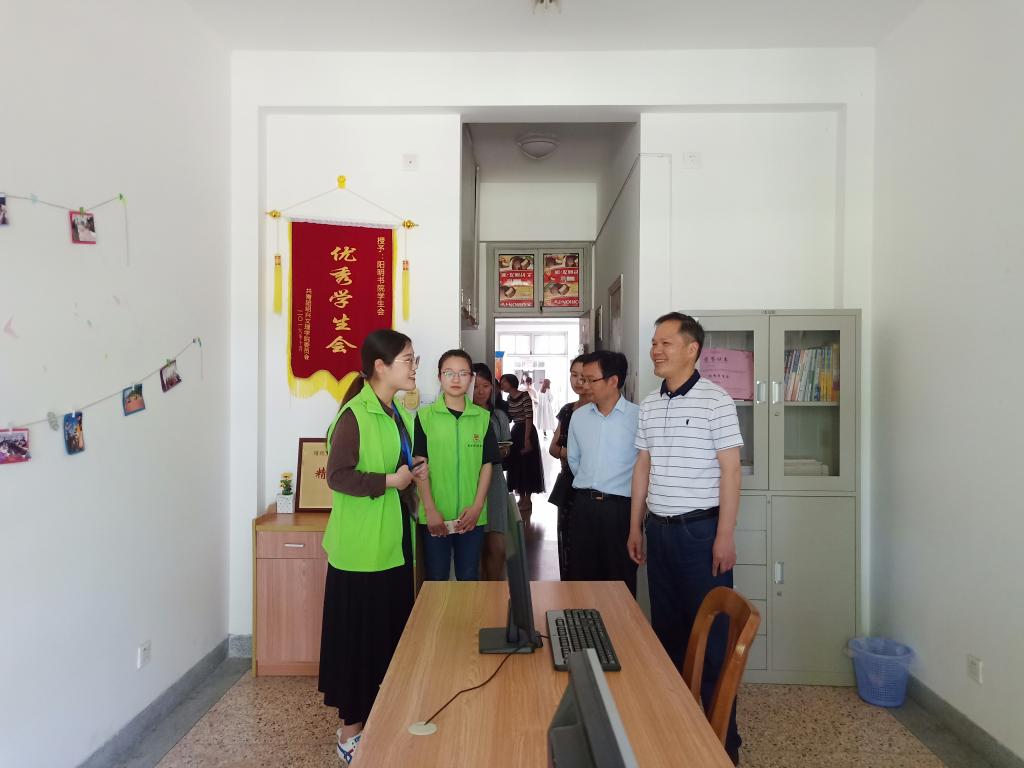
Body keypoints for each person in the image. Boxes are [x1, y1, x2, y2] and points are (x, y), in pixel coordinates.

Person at [628, 312, 744, 765]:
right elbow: (643, 465)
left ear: (692, 349)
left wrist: (724, 535)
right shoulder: (649, 403)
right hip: (659, 532)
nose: (656, 350)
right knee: (668, 636)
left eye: (666, 343)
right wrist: (635, 525)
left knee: (712, 643)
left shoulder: (717, 401)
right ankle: (676, 736)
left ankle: (723, 745)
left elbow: (731, 470)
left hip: (701, 534)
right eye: (654, 343)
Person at [318, 329, 428, 764]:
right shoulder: (355, 414)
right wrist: (391, 481)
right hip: (362, 552)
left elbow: (392, 467)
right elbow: (338, 476)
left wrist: (410, 471)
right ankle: (350, 734)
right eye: (408, 359)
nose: (414, 367)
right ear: (380, 366)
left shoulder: (392, 410)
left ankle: (379, 721)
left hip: (392, 546)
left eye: (415, 359)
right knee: (358, 645)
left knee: (386, 639)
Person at [413, 350, 500, 581]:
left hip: (471, 516)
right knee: (436, 576)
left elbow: (486, 465)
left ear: (471, 378)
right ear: (439, 377)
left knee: (469, 575)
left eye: (462, 373)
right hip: (435, 514)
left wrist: (477, 507)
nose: (455, 379)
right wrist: (430, 510)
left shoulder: (482, 418)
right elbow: (419, 465)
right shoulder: (424, 417)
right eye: (449, 373)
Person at [566, 351, 640, 596]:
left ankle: (619, 623)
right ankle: (581, 622)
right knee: (581, 580)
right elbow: (574, 460)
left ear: (613, 381)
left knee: (619, 582)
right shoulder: (579, 417)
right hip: (584, 508)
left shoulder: (638, 417)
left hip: (620, 511)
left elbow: (644, 467)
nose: (584, 385)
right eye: (582, 379)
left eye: (591, 380)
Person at [549, 356, 590, 580]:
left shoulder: (600, 410)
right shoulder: (567, 410)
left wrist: (568, 452)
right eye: (574, 375)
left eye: (584, 376)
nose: (578, 381)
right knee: (567, 542)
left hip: (591, 488)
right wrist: (572, 453)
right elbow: (553, 448)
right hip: (568, 486)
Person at [472, 362, 513, 580]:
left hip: (495, 483)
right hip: (469, 483)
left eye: (486, 386)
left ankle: (495, 591)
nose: (480, 392)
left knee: (498, 548)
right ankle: (479, 595)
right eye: (475, 386)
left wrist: (498, 451)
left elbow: (506, 447)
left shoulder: (499, 416)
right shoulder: (463, 416)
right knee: (474, 550)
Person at [500, 373, 545, 520]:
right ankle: (521, 497)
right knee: (517, 465)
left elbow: (529, 418)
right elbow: (510, 417)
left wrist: (527, 439)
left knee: (527, 465)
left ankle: (528, 499)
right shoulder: (509, 398)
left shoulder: (524, 396)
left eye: (504, 382)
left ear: (511, 383)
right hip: (516, 432)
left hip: (527, 431)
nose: (502, 385)